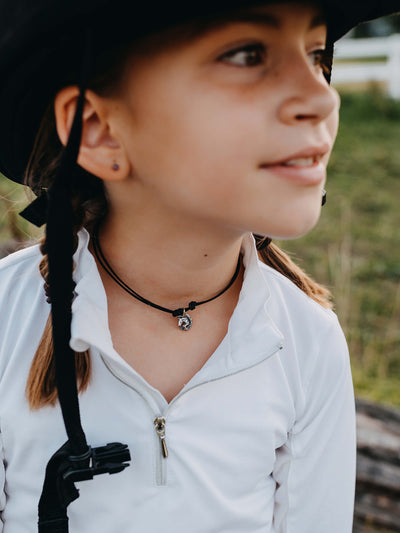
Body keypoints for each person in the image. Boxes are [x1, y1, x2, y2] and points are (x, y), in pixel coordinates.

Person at [0, 1, 399, 532]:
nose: (320, 97)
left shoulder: (308, 342)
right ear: (99, 129)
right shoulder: (7, 319)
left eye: (318, 56)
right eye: (247, 55)